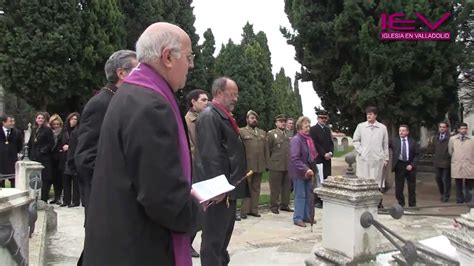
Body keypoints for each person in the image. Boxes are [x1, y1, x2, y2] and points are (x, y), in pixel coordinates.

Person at [83, 22, 197, 265]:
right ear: (168, 57)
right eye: (189, 57)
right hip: (139, 248)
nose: (191, 65)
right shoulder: (151, 105)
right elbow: (161, 198)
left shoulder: (130, 94)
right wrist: (196, 208)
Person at [194, 77, 249, 266]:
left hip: (227, 189)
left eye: (236, 94)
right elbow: (210, 156)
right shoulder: (210, 116)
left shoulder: (221, 115)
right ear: (218, 93)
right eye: (232, 94)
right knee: (213, 240)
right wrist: (218, 189)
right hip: (218, 192)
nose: (235, 99)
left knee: (222, 239)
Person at [75, 49, 137, 212]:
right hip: (107, 199)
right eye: (138, 70)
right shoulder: (101, 103)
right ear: (122, 73)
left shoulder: (122, 100)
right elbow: (86, 158)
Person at [184, 88, 209, 258]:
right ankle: (187, 243)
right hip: (195, 170)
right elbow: (190, 148)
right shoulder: (187, 121)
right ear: (193, 102)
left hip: (207, 169)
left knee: (207, 210)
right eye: (203, 100)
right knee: (195, 210)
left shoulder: (207, 118)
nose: (207, 103)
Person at [352, 106, 389, 208]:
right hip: (364, 158)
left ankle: (378, 202)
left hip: (377, 158)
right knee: (364, 180)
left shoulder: (382, 128)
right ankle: (364, 202)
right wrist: (361, 151)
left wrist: (386, 158)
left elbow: (385, 144)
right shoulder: (361, 126)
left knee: (377, 181)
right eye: (367, 114)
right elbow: (355, 140)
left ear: (375, 115)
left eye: (371, 114)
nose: (368, 115)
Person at [289, 116, 317, 227]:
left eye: (309, 126)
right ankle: (298, 218)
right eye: (306, 126)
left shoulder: (307, 139)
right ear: (300, 127)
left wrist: (311, 169)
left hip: (308, 172)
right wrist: (306, 169)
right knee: (300, 195)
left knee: (308, 195)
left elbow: (311, 155)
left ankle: (307, 216)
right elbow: (294, 158)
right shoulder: (297, 139)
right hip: (299, 172)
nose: (308, 128)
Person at [239, 110, 267, 219]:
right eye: (252, 118)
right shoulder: (241, 132)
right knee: (247, 188)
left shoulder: (262, 133)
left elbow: (266, 150)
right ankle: (244, 211)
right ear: (247, 119)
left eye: (255, 118)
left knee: (256, 188)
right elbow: (239, 150)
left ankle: (254, 210)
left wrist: (266, 163)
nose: (254, 120)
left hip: (259, 165)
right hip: (247, 165)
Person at [267, 114, 293, 214]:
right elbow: (268, 149)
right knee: (275, 187)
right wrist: (268, 164)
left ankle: (284, 205)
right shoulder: (271, 134)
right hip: (276, 165)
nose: (282, 123)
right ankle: (274, 206)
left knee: (287, 187)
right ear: (276, 123)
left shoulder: (288, 134)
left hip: (287, 165)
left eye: (284, 121)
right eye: (280, 121)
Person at [28, 112, 55, 202]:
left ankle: (44, 198)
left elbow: (51, 143)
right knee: (35, 178)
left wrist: (43, 150)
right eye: (39, 118)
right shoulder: (34, 129)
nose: (40, 120)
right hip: (34, 157)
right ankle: (34, 198)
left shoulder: (47, 130)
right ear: (36, 119)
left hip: (44, 157)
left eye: (42, 118)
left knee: (45, 178)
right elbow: (31, 143)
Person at [309, 110, 334, 208]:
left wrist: (331, 153)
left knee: (327, 178)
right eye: (321, 118)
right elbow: (316, 144)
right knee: (319, 178)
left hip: (327, 158)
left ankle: (325, 198)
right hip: (319, 158)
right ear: (317, 118)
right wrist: (324, 153)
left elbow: (330, 143)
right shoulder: (313, 129)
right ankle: (317, 200)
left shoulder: (327, 129)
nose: (323, 120)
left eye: (325, 118)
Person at [391, 125, 419, 207]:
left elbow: (417, 155)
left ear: (407, 132)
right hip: (399, 165)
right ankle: (401, 203)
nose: (401, 132)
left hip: (410, 164)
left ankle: (412, 204)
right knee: (399, 187)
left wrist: (412, 165)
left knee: (412, 187)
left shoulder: (412, 142)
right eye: (400, 130)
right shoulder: (394, 141)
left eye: (403, 131)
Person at [448, 123, 474, 204]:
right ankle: (459, 199)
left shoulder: (472, 139)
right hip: (457, 163)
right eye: (462, 128)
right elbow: (450, 151)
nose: (464, 130)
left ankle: (468, 199)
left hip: (469, 163)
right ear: (458, 130)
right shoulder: (453, 139)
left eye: (465, 128)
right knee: (458, 182)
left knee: (469, 183)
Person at [60, 112, 80, 208]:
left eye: (75, 119)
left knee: (75, 180)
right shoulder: (65, 131)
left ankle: (75, 200)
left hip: (74, 157)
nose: (73, 121)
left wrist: (70, 146)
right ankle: (66, 200)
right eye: (72, 119)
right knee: (66, 179)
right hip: (65, 157)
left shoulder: (78, 131)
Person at [0, 115, 23, 188]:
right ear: (3, 122)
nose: (13, 123)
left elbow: (19, 146)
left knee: (14, 183)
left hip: (12, 160)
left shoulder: (17, 132)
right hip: (1, 161)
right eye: (10, 121)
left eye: (13, 121)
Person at [432, 121, 451, 202]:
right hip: (437, 162)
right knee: (438, 178)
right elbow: (432, 149)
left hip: (446, 162)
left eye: (443, 127)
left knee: (445, 179)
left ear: (446, 128)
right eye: (440, 127)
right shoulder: (435, 138)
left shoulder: (450, 138)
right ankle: (442, 193)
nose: (442, 128)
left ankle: (446, 195)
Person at [49, 114, 64, 204]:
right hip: (51, 157)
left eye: (58, 124)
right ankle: (55, 196)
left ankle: (59, 196)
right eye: (54, 124)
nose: (56, 126)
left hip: (59, 157)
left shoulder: (62, 132)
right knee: (53, 178)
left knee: (59, 178)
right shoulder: (49, 132)